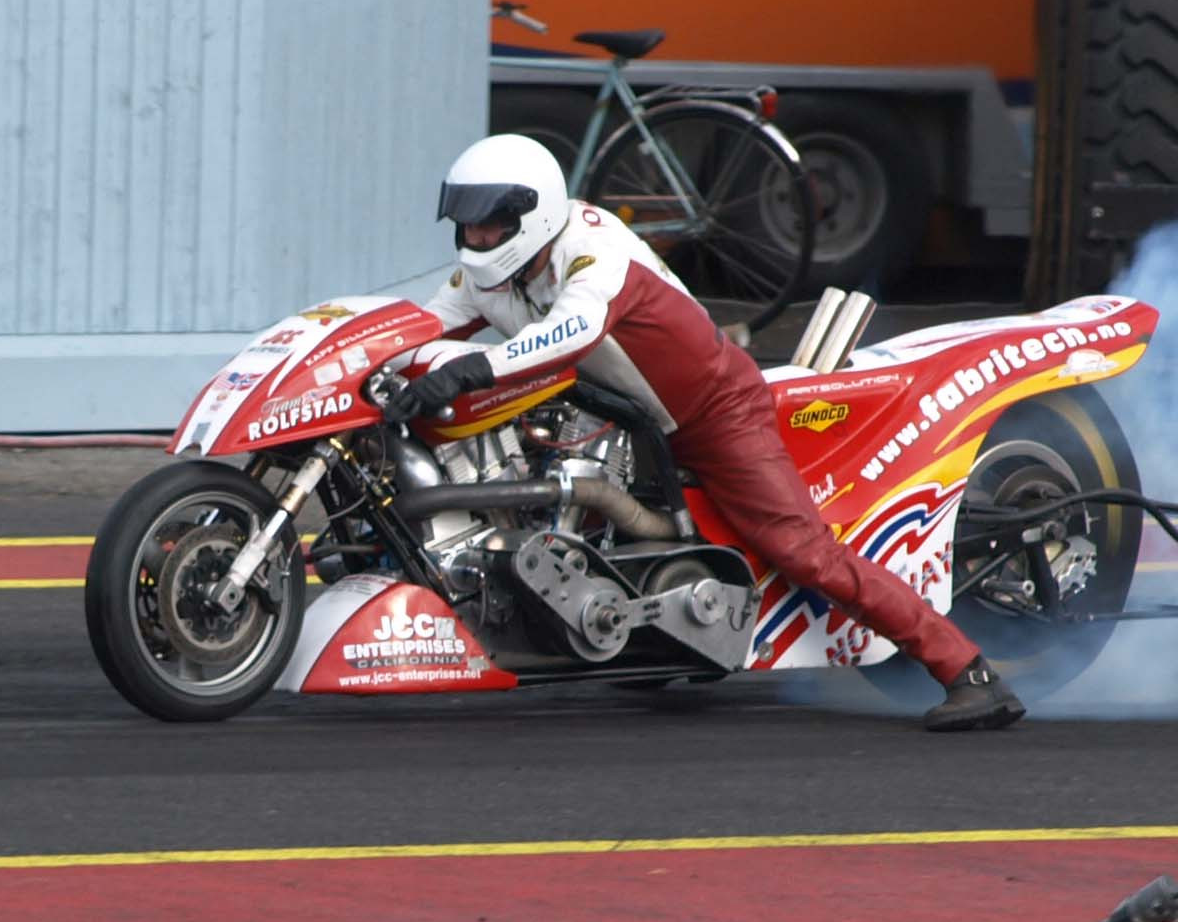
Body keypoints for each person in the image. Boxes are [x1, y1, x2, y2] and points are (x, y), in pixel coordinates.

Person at [388, 133, 1023, 731]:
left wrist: (473, 367)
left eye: (488, 223)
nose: (474, 236)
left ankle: (966, 668)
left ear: (531, 217)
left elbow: (569, 334)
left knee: (804, 552)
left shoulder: (594, 250)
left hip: (716, 413)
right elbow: (421, 321)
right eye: (466, 222)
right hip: (623, 418)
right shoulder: (489, 271)